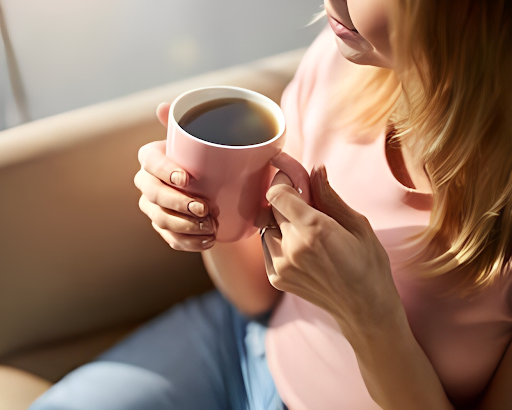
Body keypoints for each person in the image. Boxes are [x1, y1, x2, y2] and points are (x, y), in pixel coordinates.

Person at [30, 0, 512, 408]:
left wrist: (369, 315)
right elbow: (256, 297)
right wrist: (203, 209)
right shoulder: (337, 63)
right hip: (242, 350)